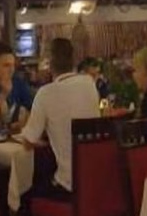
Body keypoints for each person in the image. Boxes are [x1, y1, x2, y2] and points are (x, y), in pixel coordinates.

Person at [21, 38, 100, 197]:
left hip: (68, 186)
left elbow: (27, 142)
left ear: (49, 63)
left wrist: (26, 125)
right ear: (73, 60)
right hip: (95, 179)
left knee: (27, 188)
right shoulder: (89, 83)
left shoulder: (45, 93)